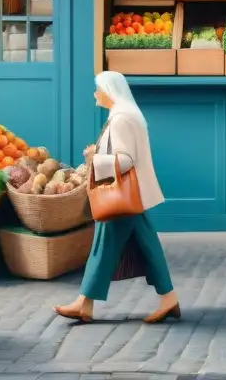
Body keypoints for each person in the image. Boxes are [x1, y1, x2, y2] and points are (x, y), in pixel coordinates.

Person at [54, 70, 180, 324]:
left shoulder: (121, 119)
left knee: (103, 245)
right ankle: (168, 299)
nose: (95, 94)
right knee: (147, 246)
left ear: (109, 92)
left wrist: (95, 159)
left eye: (97, 89)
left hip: (121, 196)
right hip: (134, 195)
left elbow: (125, 160)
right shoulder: (126, 115)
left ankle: (84, 303)